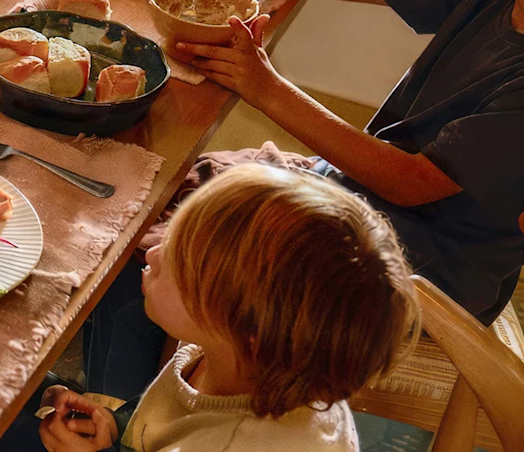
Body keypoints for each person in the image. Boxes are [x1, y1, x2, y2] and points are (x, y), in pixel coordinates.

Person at [86, 0, 524, 403]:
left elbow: (410, 184)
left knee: (171, 260)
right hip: (365, 203)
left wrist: (266, 88)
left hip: (425, 268)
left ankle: (134, 416)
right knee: (163, 196)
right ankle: (133, 394)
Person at [38, 165, 417, 452]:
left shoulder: (234, 443)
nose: (152, 253)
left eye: (179, 259)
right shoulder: (242, 356)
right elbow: (164, 422)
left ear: (245, 327)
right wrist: (116, 427)